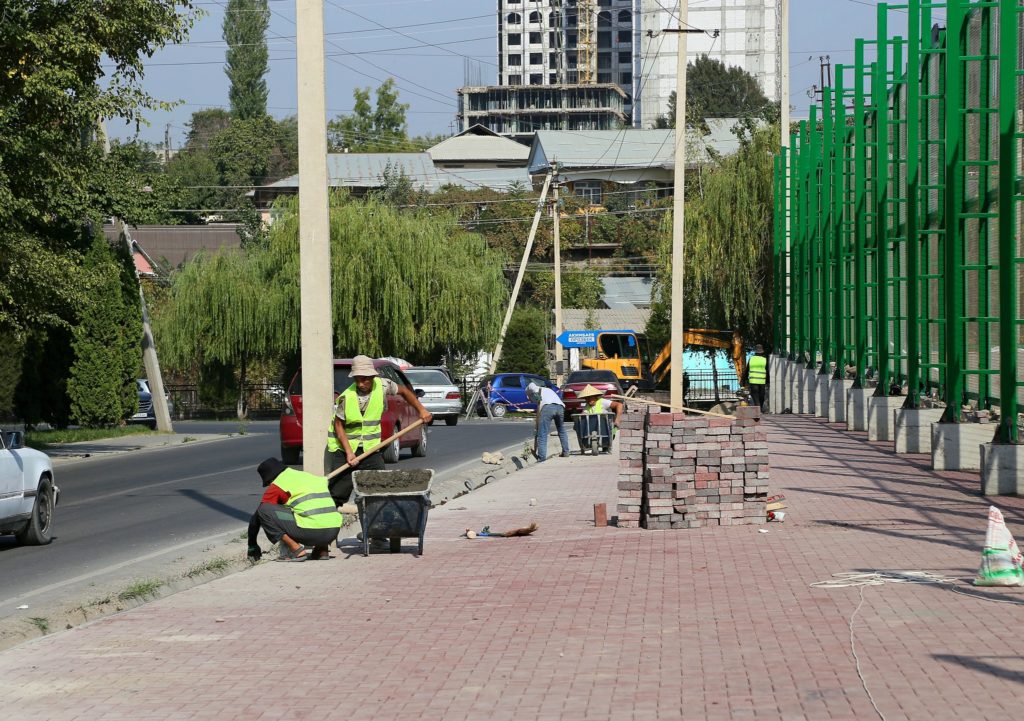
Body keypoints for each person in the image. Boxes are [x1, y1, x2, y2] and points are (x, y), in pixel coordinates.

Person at [326, 355, 431, 505]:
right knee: (337, 493)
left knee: (380, 488)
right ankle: (328, 523)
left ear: (372, 376)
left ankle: (378, 520)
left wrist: (421, 410)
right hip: (344, 450)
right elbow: (338, 426)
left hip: (370, 450)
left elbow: (405, 392)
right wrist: (349, 453)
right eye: (357, 379)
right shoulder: (345, 398)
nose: (361, 383)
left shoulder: (383, 385)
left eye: (365, 379)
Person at [247, 457, 343, 562]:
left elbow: (257, 517)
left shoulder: (278, 485)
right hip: (334, 531)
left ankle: (297, 550)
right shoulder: (308, 476)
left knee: (264, 510)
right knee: (314, 511)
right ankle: (321, 550)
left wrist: (252, 544)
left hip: (311, 532)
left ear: (270, 479)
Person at [525, 381, 570, 461]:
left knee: (542, 433)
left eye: (531, 400)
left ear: (529, 395)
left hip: (548, 407)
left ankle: (541, 458)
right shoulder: (547, 390)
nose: (532, 401)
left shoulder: (530, 391)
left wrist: (535, 394)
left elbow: (531, 384)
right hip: (560, 407)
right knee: (561, 430)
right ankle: (566, 452)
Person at [744, 344, 769, 411]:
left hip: (753, 381)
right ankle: (759, 408)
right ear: (762, 352)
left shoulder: (751, 359)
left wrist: (745, 380)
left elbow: (747, 370)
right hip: (762, 381)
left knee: (755, 395)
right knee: (761, 395)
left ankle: (758, 407)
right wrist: (768, 381)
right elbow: (767, 371)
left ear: (755, 352)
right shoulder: (765, 360)